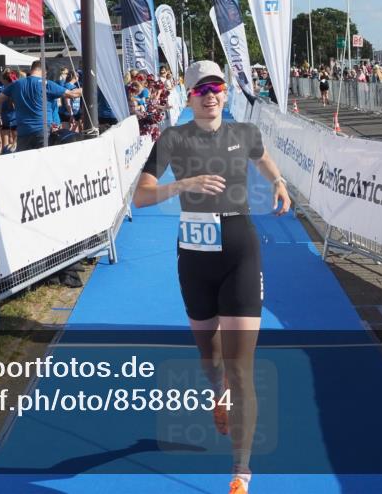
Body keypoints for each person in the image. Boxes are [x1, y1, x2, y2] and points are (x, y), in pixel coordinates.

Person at [133, 61, 292, 494]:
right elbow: (141, 196)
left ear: (225, 92)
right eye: (201, 89)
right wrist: (182, 186)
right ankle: (216, 390)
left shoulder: (244, 133)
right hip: (194, 260)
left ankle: (241, 473)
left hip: (240, 252)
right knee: (212, 358)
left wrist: (278, 182)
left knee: (242, 368)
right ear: (189, 97)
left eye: (216, 87)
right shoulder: (173, 139)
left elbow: (263, 158)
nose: (210, 95)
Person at [0, 60, 82, 152]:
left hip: (23, 131)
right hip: (42, 131)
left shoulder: (16, 84)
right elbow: (72, 94)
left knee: (26, 158)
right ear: (44, 72)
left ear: (31, 69)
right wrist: (85, 88)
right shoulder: (46, 84)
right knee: (43, 158)